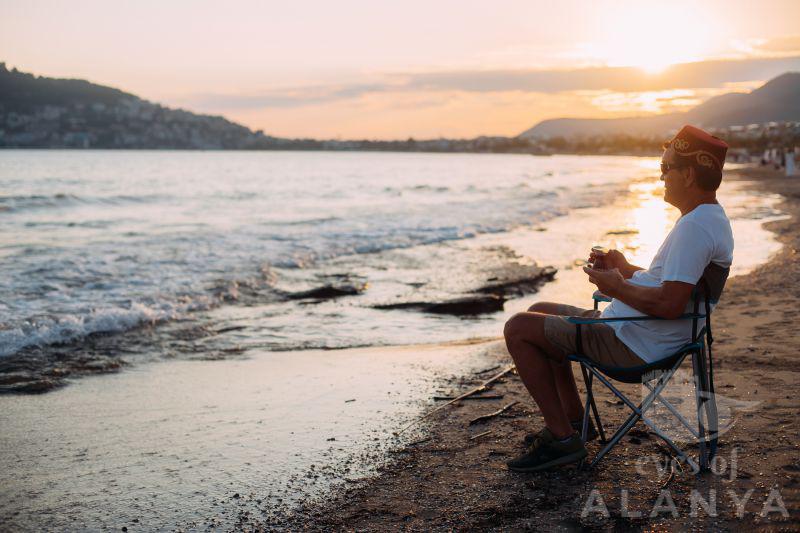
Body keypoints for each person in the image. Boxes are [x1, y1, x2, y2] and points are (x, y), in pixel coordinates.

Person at [502, 125, 734, 472]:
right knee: (539, 311)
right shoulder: (707, 219)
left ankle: (562, 439)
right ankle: (574, 421)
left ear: (687, 174)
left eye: (665, 169)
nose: (661, 177)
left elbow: (669, 305)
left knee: (519, 327)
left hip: (635, 344)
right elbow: (671, 285)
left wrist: (615, 288)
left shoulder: (695, 228)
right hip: (638, 331)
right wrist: (625, 270)